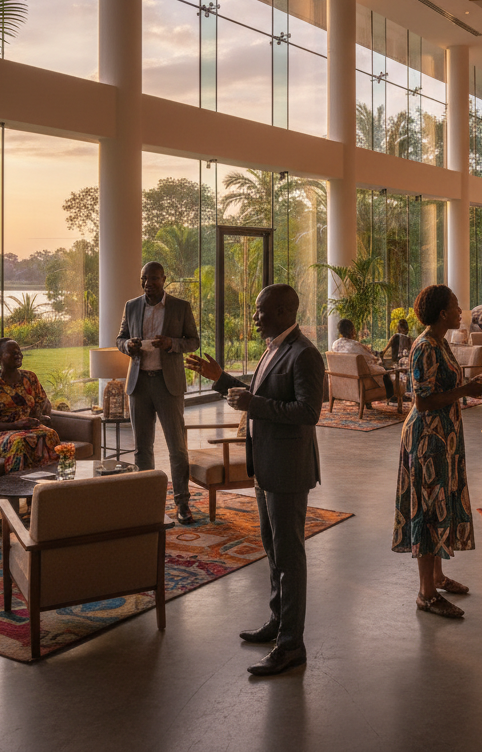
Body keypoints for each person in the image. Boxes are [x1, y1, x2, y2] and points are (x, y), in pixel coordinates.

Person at [186, 284, 323, 677]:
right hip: (264, 467)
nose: (255, 316)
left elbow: (308, 411)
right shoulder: (274, 347)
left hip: (288, 470)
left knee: (290, 556)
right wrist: (221, 378)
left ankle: (291, 646)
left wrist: (254, 403)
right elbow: (256, 395)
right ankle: (279, 623)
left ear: (282, 311)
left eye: (261, 310)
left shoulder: (305, 354)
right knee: (274, 551)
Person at [392, 284, 482, 618]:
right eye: (456, 306)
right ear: (442, 313)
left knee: (440, 501)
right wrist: (467, 389)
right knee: (428, 508)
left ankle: (437, 576)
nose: (461, 310)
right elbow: (421, 401)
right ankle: (426, 593)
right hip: (427, 440)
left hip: (444, 437)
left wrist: (466, 390)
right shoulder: (424, 347)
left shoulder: (441, 343)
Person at [116, 261, 200, 525]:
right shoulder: (131, 306)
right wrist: (127, 345)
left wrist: (171, 343)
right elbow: (120, 338)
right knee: (142, 448)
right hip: (139, 385)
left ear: (164, 279)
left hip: (168, 385)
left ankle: (182, 503)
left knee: (177, 447)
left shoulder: (180, 307)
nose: (148, 284)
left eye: (153, 279)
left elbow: (193, 340)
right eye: (144, 279)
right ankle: (147, 501)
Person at [0, 337, 59, 473]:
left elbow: (43, 403)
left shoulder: (30, 378)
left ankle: (51, 485)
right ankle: (16, 487)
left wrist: (41, 417)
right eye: (12, 352)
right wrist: (15, 426)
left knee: (51, 435)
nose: (18, 354)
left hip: (27, 430)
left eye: (19, 351)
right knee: (20, 442)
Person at [331, 318, 392, 392]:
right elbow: (371, 358)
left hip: (343, 380)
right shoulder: (355, 345)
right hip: (360, 380)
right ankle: (392, 396)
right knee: (384, 371)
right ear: (352, 330)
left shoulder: (335, 344)